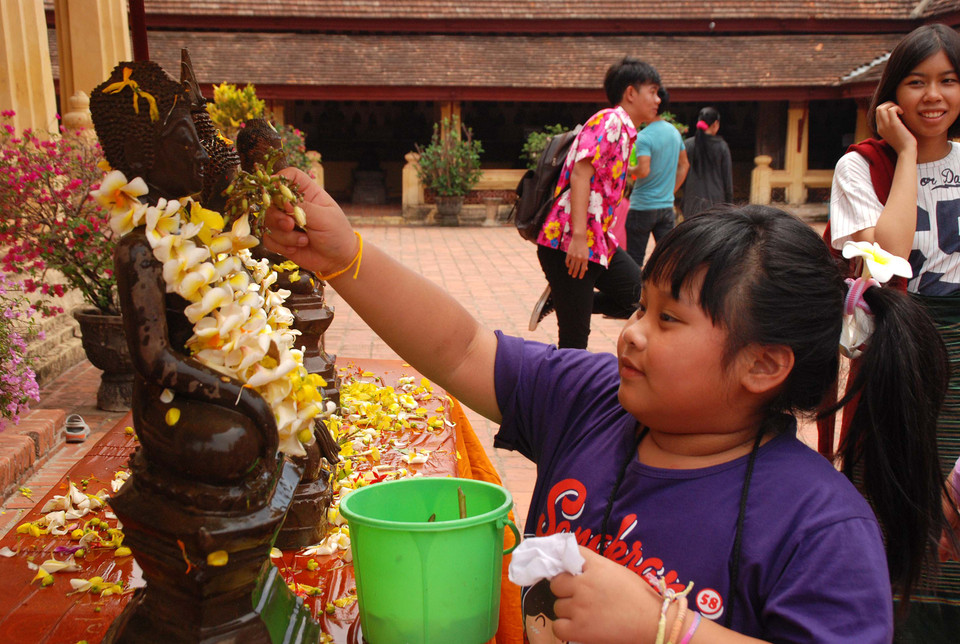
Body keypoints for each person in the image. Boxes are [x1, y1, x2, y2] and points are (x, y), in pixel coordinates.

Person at [264, 161, 952, 640]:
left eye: (668, 321)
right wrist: (343, 255)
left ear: (763, 365)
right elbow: (462, 348)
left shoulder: (821, 529)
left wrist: (666, 629)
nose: (631, 336)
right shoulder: (597, 402)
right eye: (640, 307)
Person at [829, 22, 960, 642]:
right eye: (917, 82)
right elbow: (890, 260)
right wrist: (907, 154)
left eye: (948, 81)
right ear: (891, 95)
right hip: (898, 348)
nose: (933, 96)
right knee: (890, 496)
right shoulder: (862, 167)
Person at [528, 57, 657, 349]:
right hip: (568, 243)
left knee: (639, 299)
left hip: (599, 241)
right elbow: (580, 173)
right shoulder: (610, 121)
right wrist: (577, 238)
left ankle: (562, 298)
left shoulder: (626, 131)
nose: (657, 99)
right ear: (631, 93)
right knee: (574, 342)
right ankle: (561, 392)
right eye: (653, 91)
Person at [624, 87, 689, 267]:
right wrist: (670, 190)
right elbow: (684, 165)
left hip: (642, 207)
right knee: (667, 260)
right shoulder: (674, 133)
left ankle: (634, 295)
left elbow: (643, 170)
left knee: (634, 261)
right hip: (666, 207)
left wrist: (627, 168)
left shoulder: (644, 136)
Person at [680, 106, 733, 218]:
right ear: (715, 124)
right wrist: (730, 206)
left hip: (691, 201)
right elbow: (727, 180)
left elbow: (681, 173)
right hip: (715, 203)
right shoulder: (721, 147)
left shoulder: (688, 145)